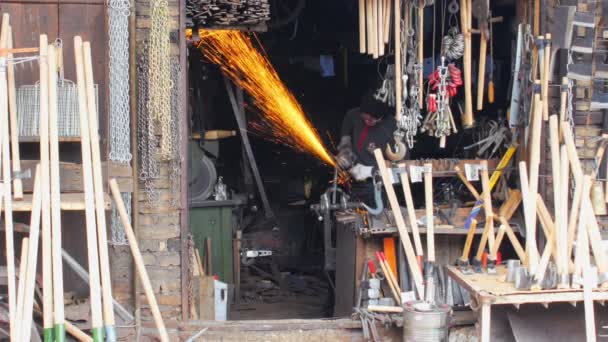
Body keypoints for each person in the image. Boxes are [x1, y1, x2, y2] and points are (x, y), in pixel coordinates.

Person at [336, 91, 398, 206]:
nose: (367, 122)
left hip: (378, 185)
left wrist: (372, 171)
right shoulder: (352, 116)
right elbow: (345, 140)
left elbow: (400, 164)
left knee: (378, 218)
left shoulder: (392, 126)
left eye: (372, 120)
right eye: (365, 118)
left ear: (382, 117)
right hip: (352, 181)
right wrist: (345, 154)